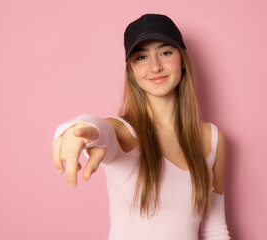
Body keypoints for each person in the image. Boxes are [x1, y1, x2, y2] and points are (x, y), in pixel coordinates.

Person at [52, 13, 230, 240]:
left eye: (165, 53)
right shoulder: (124, 133)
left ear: (182, 60)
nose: (155, 66)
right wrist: (74, 130)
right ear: (131, 71)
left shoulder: (212, 138)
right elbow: (99, 129)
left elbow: (216, 229)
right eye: (141, 57)